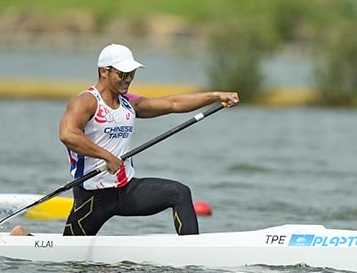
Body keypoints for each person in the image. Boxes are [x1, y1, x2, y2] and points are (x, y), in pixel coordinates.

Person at [59, 43, 239, 236]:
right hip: (93, 196)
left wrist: (215, 95)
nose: (128, 79)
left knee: (179, 193)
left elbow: (173, 104)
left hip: (124, 189)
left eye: (132, 73)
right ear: (104, 71)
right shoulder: (86, 101)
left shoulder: (129, 103)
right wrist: (107, 157)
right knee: (69, 251)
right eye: (122, 73)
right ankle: (22, 236)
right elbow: (68, 134)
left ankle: (191, 254)